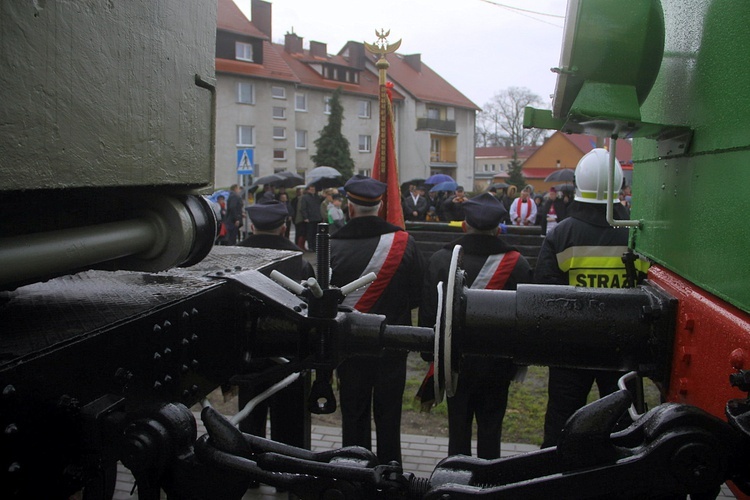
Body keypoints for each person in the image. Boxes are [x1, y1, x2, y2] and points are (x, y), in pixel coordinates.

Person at [535, 148, 648, 448]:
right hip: (624, 349)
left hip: (571, 347)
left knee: (561, 423)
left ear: (577, 184)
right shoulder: (637, 235)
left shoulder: (561, 235)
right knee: (628, 428)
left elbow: (543, 294)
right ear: (621, 186)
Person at [419, 193, 533, 459]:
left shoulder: (440, 259)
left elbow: (428, 315)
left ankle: (456, 482)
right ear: (497, 228)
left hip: (453, 362)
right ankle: (489, 484)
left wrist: (431, 356)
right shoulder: (518, 263)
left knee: (457, 431)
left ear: (464, 224)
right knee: (492, 430)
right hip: (498, 363)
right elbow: (526, 322)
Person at [330, 175, 425, 464]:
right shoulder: (404, 243)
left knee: (353, 414)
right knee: (389, 416)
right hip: (392, 344)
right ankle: (390, 476)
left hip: (349, 347)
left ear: (350, 208)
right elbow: (418, 296)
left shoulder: (331, 246)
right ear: (381, 205)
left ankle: (354, 474)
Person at [237, 200, 315, 458]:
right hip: (289, 352)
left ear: (251, 225)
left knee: (250, 413)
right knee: (290, 415)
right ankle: (287, 470)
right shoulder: (299, 260)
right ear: (284, 227)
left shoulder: (236, 254)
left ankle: (249, 470)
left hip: (249, 352)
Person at [300, 184, 323, 252]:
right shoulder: (305, 197)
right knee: (310, 233)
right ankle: (311, 246)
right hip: (310, 218)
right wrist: (305, 217)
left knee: (316, 233)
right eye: (311, 189)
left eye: (314, 189)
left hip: (317, 217)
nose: (313, 190)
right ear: (308, 190)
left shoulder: (317, 197)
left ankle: (315, 246)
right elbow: (303, 208)